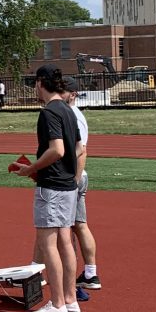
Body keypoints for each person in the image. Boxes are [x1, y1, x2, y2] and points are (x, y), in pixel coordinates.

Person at [14, 64, 81, 312]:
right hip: (67, 185)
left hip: (52, 186)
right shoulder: (68, 110)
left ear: (41, 83)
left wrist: (32, 168)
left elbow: (58, 149)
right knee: (65, 242)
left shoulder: (49, 112)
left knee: (47, 243)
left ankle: (57, 304)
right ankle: (70, 300)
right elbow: (77, 148)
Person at [63, 77, 101, 293]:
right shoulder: (72, 114)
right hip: (75, 176)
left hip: (73, 177)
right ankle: (90, 273)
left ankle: (37, 272)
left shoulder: (74, 116)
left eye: (64, 91)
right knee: (78, 225)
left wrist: (74, 180)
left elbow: (81, 150)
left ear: (73, 94)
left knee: (59, 227)